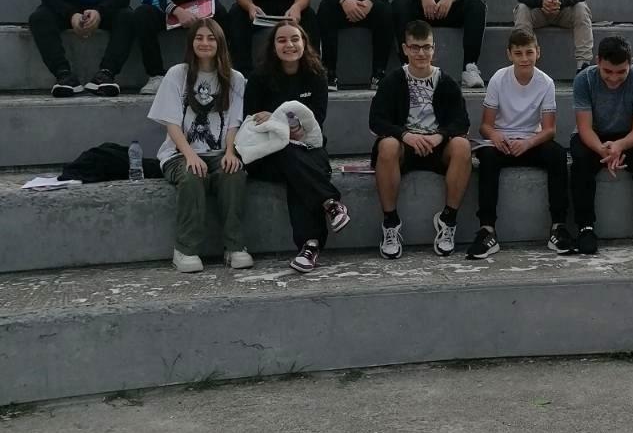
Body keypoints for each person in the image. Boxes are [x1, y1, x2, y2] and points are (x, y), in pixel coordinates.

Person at [244, 20, 349, 275]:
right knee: (288, 154)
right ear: (273, 46)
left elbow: (316, 122)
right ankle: (330, 201)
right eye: (281, 40)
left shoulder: (316, 75)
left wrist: (280, 122)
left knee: (297, 170)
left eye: (295, 39)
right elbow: (252, 120)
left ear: (304, 43)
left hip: (306, 149)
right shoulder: (258, 78)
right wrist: (280, 125)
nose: (289, 45)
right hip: (266, 155)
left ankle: (309, 246)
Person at [148, 19, 248, 273]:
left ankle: (235, 246)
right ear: (191, 42)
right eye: (199, 38)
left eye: (211, 38)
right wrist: (190, 155)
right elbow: (171, 123)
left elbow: (234, 123)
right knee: (193, 174)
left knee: (234, 173)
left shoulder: (235, 78)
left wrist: (230, 152)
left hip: (219, 151)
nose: (205, 43)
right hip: (179, 154)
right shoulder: (177, 74)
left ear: (220, 43)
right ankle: (185, 249)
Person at [369, 19, 472, 260]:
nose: (421, 53)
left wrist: (440, 136)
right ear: (405, 49)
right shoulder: (393, 80)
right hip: (404, 147)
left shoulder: (445, 81)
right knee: (387, 145)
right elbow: (376, 121)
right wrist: (405, 135)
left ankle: (448, 220)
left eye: (426, 47)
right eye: (415, 47)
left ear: (434, 48)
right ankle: (390, 223)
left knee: (462, 145)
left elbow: (462, 122)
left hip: (437, 147)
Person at [468, 28, 570, 259]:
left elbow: (550, 130)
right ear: (509, 54)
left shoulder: (546, 82)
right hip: (502, 142)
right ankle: (487, 230)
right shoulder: (498, 78)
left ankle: (559, 226)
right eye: (518, 53)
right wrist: (496, 137)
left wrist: (528, 143)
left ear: (538, 52)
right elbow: (485, 126)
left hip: (530, 141)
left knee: (557, 154)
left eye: (529, 52)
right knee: (488, 158)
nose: (524, 58)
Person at [570, 35, 633, 254]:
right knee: (580, 160)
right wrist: (603, 150)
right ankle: (585, 227)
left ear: (631, 63)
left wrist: (619, 146)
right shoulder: (583, 80)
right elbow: (584, 128)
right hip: (593, 135)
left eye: (621, 72)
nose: (614, 78)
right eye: (608, 71)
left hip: (627, 136)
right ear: (598, 61)